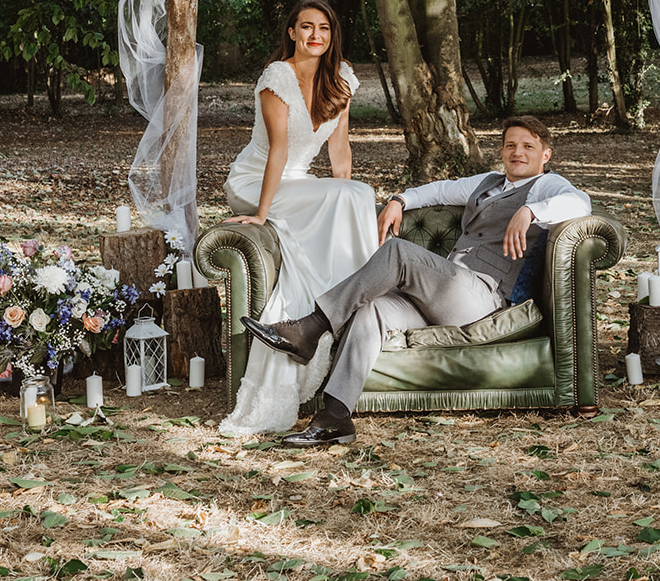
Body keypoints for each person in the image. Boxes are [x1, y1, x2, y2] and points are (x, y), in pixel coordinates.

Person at [242, 115, 591, 447]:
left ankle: (310, 329)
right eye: (511, 145)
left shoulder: (547, 186)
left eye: (528, 147)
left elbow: (581, 203)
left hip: (482, 298)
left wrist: (532, 211)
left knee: (398, 252)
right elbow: (439, 192)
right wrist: (399, 200)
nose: (518, 152)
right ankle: (335, 417)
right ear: (500, 151)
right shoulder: (486, 182)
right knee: (373, 309)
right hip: (443, 296)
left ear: (545, 155)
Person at [217, 0, 379, 437]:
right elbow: (279, 151)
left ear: (332, 34)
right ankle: (351, 307)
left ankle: (355, 306)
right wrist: (261, 215)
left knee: (358, 193)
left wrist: (346, 190)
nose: (315, 36)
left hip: (300, 183)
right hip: (256, 181)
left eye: (323, 28)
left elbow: (339, 148)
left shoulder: (341, 77)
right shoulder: (277, 78)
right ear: (292, 33)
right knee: (348, 197)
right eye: (306, 27)